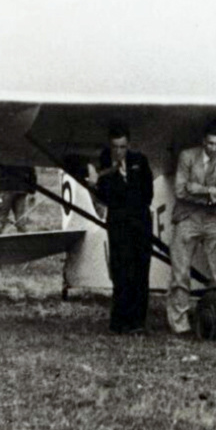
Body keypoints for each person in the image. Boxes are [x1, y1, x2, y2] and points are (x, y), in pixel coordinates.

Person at [167, 119, 216, 337]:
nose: (214, 148)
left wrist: (202, 191)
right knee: (180, 273)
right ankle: (180, 324)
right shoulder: (187, 156)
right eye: (210, 144)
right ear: (203, 142)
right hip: (187, 217)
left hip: (215, 218)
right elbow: (181, 191)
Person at [92, 123, 155, 334]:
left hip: (140, 224)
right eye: (115, 147)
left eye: (123, 147)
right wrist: (110, 180)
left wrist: (123, 190)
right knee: (121, 273)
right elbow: (105, 196)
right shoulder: (104, 165)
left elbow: (148, 193)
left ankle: (138, 323)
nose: (119, 152)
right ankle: (120, 322)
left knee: (140, 272)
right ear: (110, 147)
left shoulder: (140, 161)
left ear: (128, 145)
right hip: (119, 226)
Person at [0, 165, 38, 233]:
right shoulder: (25, 157)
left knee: (2, 215)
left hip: (7, 188)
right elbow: (32, 175)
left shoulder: (5, 157)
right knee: (20, 216)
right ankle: (23, 236)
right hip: (22, 189)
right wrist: (32, 191)